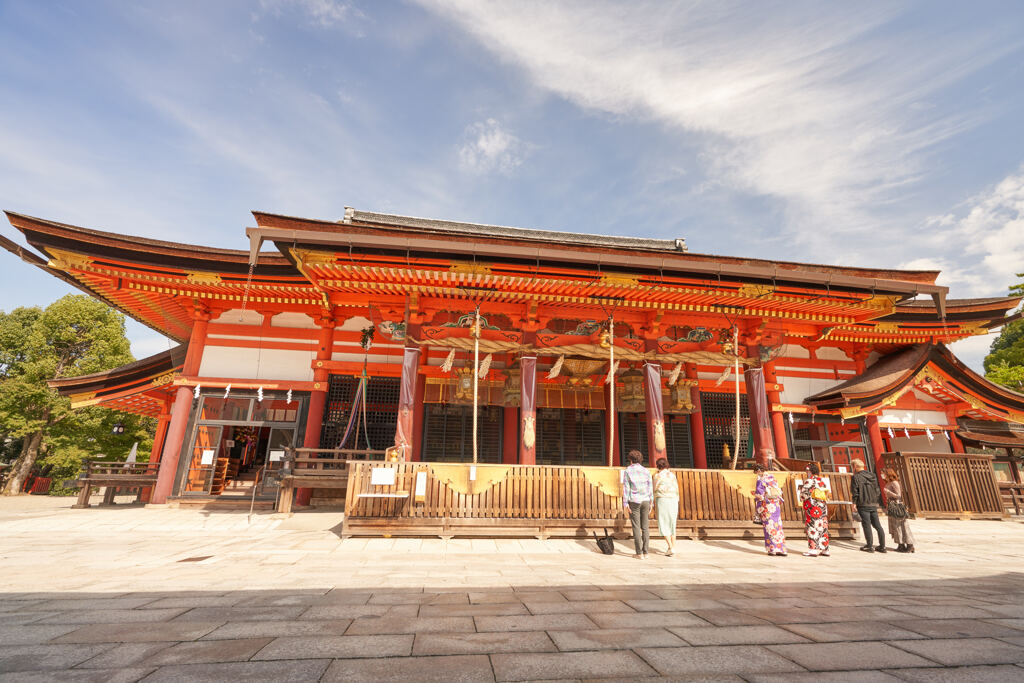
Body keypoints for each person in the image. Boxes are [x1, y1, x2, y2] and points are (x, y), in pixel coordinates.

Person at [621, 449, 653, 559]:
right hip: (645, 500)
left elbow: (626, 488)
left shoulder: (628, 471)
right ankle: (646, 552)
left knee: (636, 527)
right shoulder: (646, 471)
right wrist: (651, 501)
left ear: (630, 460)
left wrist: (625, 502)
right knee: (645, 527)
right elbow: (650, 487)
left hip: (634, 500)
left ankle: (639, 553)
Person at [851, 458, 886, 553]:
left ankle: (869, 546)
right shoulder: (872, 475)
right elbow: (877, 490)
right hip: (873, 503)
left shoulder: (855, 477)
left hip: (863, 503)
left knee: (866, 525)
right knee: (877, 525)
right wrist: (875, 499)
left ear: (855, 467)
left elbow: (855, 492)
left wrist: (854, 503)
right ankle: (882, 546)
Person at [752, 463, 787, 556]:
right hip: (775, 505)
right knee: (778, 526)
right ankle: (781, 548)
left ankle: (772, 549)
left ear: (759, 471)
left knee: (769, 527)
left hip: (766, 505)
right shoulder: (773, 478)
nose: (757, 474)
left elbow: (760, 495)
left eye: (756, 472)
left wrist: (754, 495)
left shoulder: (761, 480)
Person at [799, 462, 830, 557]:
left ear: (810, 471)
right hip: (822, 506)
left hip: (813, 507)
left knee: (812, 526)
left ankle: (813, 549)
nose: (806, 473)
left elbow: (804, 494)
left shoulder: (810, 481)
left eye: (807, 471)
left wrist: (801, 494)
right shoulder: (821, 481)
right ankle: (825, 548)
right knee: (823, 526)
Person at [882, 467, 915, 553]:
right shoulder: (888, 483)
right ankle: (900, 545)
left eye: (884, 473)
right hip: (891, 505)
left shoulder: (894, 483)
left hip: (896, 506)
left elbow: (898, 495)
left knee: (902, 526)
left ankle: (909, 545)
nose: (883, 475)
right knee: (895, 526)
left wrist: (888, 492)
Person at [654, 458, 679, 556]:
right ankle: (672, 547)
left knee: (663, 522)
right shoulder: (672, 475)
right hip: (673, 499)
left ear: (658, 466)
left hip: (662, 499)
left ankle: (671, 547)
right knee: (672, 522)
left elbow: (654, 488)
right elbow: (677, 488)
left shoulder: (657, 476)